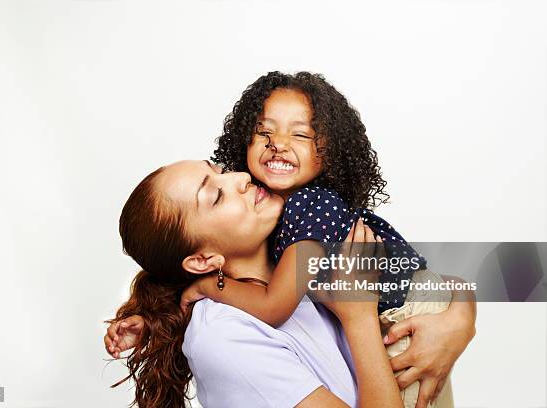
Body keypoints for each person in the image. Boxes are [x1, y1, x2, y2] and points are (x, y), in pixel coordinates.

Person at [178, 72, 472, 407]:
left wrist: (206, 287)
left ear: (330, 153)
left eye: (301, 134)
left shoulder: (311, 208)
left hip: (406, 317)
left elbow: (272, 306)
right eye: (263, 132)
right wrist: (147, 318)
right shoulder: (277, 217)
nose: (279, 144)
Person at [105, 160, 408, 407]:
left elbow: (426, 288)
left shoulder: (293, 258)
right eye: (216, 196)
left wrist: (454, 322)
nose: (240, 178)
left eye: (220, 171)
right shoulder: (224, 338)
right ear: (203, 261)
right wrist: (359, 316)